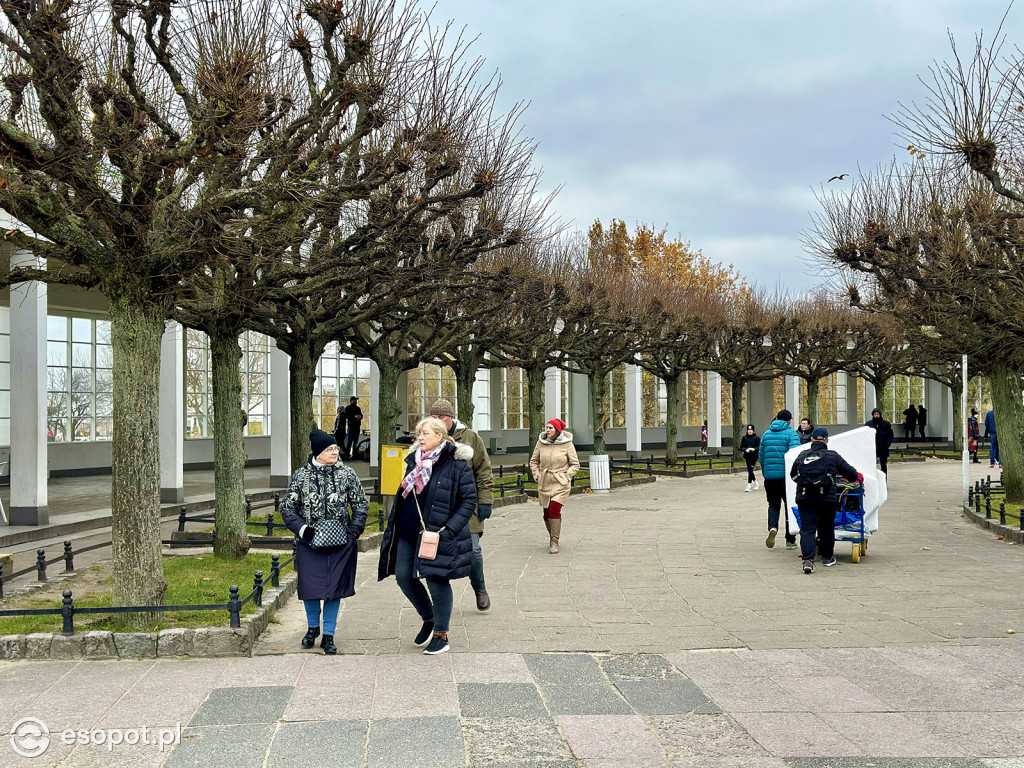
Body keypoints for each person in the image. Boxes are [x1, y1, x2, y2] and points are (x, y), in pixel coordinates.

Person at [378, 417, 477, 655]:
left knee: (436, 579)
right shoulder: (413, 461)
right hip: (408, 530)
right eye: (419, 433)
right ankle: (429, 619)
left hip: (438, 534)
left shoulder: (457, 464)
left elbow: (469, 500)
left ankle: (442, 635)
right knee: (403, 577)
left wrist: (450, 530)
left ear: (440, 437)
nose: (420, 438)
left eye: (425, 433)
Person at [280, 429, 369, 655]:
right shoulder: (301, 476)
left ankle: (329, 635)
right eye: (329, 449)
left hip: (341, 543)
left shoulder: (347, 474)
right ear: (317, 452)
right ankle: (312, 629)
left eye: (336, 449)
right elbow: (287, 508)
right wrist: (303, 530)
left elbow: (360, 503)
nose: (334, 452)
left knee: (335, 590)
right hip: (309, 543)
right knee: (310, 589)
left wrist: (355, 531)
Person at [429, 398, 494, 611]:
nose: (438, 421)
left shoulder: (470, 438)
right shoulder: (428, 437)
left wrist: (485, 500)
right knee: (436, 552)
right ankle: (441, 599)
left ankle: (480, 588)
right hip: (438, 507)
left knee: (473, 550)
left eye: (442, 417)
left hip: (467, 505)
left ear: (451, 417)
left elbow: (483, 470)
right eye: (434, 417)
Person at [790, 427, 861, 574]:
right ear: (827, 440)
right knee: (827, 527)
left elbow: (793, 475)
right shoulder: (832, 456)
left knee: (808, 529)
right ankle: (827, 557)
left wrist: (805, 483)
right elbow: (852, 475)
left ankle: (808, 560)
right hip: (827, 498)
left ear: (811, 439)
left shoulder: (803, 455)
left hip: (805, 497)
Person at [529, 418, 580, 554]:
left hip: (560, 482)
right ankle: (552, 535)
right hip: (545, 481)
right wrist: (537, 474)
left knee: (554, 510)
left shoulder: (567, 444)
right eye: (547, 427)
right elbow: (534, 461)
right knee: (546, 514)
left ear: (558, 430)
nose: (548, 430)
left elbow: (575, 464)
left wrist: (567, 475)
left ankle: (554, 542)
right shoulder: (541, 443)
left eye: (551, 428)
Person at [758, 409, 802, 550]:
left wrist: (766, 473)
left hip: (770, 478)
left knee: (773, 505)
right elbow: (795, 456)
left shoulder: (766, 434)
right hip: (787, 478)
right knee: (790, 506)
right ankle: (790, 539)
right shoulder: (791, 434)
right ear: (789, 421)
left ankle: (773, 528)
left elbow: (761, 457)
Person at [865, 407, 894, 475]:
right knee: (871, 465)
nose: (876, 416)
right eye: (875, 414)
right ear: (873, 415)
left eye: (878, 414)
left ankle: (884, 480)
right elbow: (865, 435)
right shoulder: (868, 424)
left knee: (883, 465)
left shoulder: (886, 424)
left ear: (880, 415)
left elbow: (890, 435)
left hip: (883, 447)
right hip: (872, 448)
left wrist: (887, 444)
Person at [740, 424, 760, 492]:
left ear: (753, 431)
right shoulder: (744, 438)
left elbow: (759, 447)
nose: (750, 431)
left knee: (750, 469)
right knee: (749, 470)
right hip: (747, 456)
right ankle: (755, 482)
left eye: (751, 430)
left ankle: (749, 485)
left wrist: (753, 449)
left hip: (754, 456)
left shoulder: (757, 438)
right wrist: (745, 449)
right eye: (748, 430)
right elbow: (741, 447)